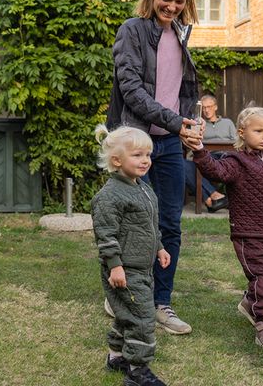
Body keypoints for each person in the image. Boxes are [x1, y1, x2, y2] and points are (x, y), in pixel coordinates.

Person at [106, 0, 201, 336]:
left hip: (169, 144)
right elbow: (132, 90)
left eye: (180, 1)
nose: (172, 6)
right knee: (130, 224)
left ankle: (161, 303)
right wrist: (177, 122)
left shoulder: (181, 34)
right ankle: (121, 294)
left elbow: (182, 91)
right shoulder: (131, 30)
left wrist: (190, 123)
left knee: (170, 225)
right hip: (135, 140)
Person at [191, 107, 263, 351]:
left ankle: (249, 303)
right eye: (259, 131)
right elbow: (215, 170)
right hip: (249, 235)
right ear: (242, 132)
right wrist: (200, 150)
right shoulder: (236, 162)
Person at [92, 125, 171, 386]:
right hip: (124, 268)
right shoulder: (109, 196)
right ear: (117, 160)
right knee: (143, 318)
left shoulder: (143, 189)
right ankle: (138, 371)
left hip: (143, 266)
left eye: (147, 155)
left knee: (128, 313)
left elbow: (149, 223)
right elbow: (106, 235)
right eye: (137, 155)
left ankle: (116, 356)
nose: (145, 160)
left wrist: (159, 246)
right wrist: (115, 266)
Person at [182, 94, 236, 212]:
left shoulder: (228, 123)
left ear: (215, 107)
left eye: (209, 107)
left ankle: (210, 201)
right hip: (206, 155)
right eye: (204, 107)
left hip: (225, 155)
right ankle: (212, 198)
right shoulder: (198, 125)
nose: (206, 110)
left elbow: (236, 143)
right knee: (182, 165)